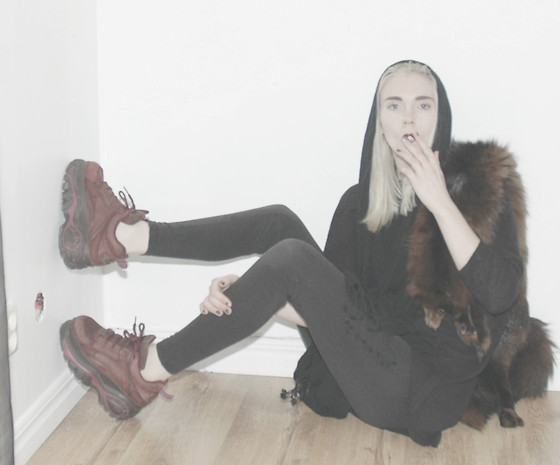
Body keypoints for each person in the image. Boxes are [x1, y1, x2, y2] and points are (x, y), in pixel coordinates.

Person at [58, 60, 527, 447]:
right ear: (379, 121)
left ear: (440, 116)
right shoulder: (358, 204)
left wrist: (440, 202)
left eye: (423, 105)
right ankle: (123, 236)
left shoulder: (480, 193)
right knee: (280, 225)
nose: (409, 119)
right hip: (368, 364)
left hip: (419, 389)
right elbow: (347, 314)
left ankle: (144, 372)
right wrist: (256, 293)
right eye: (395, 105)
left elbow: (501, 293)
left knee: (292, 260)